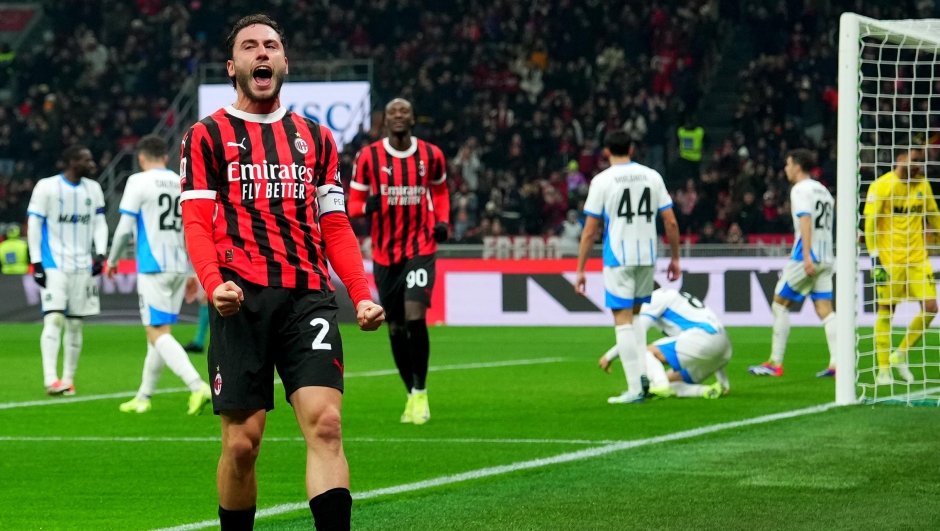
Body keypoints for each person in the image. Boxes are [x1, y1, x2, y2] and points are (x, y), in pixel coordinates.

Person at [180, 15, 384, 531]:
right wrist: (212, 284)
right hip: (240, 298)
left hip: (308, 298)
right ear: (233, 67)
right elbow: (197, 224)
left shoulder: (316, 138)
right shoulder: (206, 136)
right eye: (250, 47)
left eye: (271, 45)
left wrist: (358, 293)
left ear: (285, 62)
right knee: (243, 445)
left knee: (327, 425)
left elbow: (335, 224)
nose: (262, 53)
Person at [348, 98, 450, 424]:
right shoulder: (368, 157)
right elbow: (353, 205)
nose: (398, 116)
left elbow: (441, 191)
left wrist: (443, 221)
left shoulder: (431, 155)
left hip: (421, 246)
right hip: (384, 253)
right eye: (392, 112)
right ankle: (411, 393)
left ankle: (421, 392)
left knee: (415, 316)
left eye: (404, 111)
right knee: (395, 327)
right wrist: (369, 207)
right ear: (385, 120)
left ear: (413, 118)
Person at [106, 135, 213, 415]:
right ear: (166, 158)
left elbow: (124, 227)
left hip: (153, 266)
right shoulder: (181, 180)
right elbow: (192, 226)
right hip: (180, 264)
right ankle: (143, 397)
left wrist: (113, 260)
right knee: (158, 333)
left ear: (141, 159)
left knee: (156, 332)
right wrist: (192, 269)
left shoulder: (138, 181)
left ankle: (197, 386)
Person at [575, 130, 681, 404]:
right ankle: (642, 379)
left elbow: (589, 231)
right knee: (635, 317)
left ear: (607, 152)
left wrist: (581, 268)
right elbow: (670, 221)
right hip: (647, 256)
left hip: (618, 258)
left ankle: (635, 389)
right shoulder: (652, 176)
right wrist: (675, 258)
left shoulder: (602, 181)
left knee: (622, 320)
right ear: (632, 149)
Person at [26, 145, 106, 396]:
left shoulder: (93, 189)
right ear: (72, 162)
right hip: (54, 264)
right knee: (54, 318)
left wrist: (101, 253)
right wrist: (37, 261)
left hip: (82, 265)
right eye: (86, 160)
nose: (92, 164)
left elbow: (99, 223)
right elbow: (35, 223)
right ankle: (51, 379)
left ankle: (68, 380)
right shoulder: (47, 187)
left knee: (75, 325)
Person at [749, 149, 837, 377]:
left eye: (788, 165)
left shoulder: (800, 189)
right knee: (825, 310)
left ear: (797, 166)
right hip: (827, 256)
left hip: (807, 257)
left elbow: (806, 220)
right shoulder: (824, 191)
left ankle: (774, 363)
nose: (786, 169)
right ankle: (838, 363)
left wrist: (806, 255)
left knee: (779, 304)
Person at [864, 148, 939, 384]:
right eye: (915, 160)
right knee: (886, 311)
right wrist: (874, 257)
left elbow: (933, 215)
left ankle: (901, 353)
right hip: (890, 260)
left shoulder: (922, 185)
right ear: (901, 159)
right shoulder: (881, 185)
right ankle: (883, 370)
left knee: (931, 307)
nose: (919, 165)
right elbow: (870, 224)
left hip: (918, 259)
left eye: (921, 161)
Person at [598, 289, 730, 399]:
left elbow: (637, 334)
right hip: (723, 346)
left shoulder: (654, 299)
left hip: (702, 338)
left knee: (644, 352)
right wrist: (723, 381)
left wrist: (609, 357)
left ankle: (661, 386)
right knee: (670, 380)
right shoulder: (672, 296)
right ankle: (706, 390)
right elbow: (716, 343)